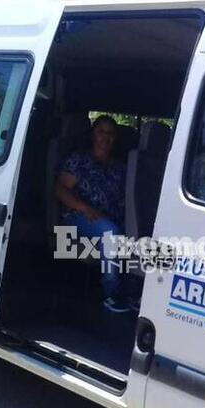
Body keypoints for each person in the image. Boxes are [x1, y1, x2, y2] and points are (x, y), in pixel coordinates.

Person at [55, 115, 131, 313]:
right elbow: (61, 190)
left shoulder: (121, 168)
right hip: (80, 217)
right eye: (101, 132)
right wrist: (84, 208)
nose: (105, 137)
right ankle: (111, 293)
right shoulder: (79, 159)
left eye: (110, 133)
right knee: (110, 233)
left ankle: (134, 292)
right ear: (93, 135)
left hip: (111, 219)